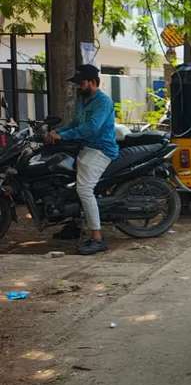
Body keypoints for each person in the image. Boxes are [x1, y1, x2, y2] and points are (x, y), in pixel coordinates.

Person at [44, 64, 119, 255]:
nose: (79, 87)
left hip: (100, 150)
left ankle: (97, 238)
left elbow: (92, 128)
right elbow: (76, 123)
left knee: (84, 189)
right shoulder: (83, 100)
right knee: (66, 183)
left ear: (93, 82)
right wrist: (56, 132)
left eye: (82, 83)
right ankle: (75, 225)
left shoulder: (103, 102)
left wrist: (65, 136)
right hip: (85, 148)